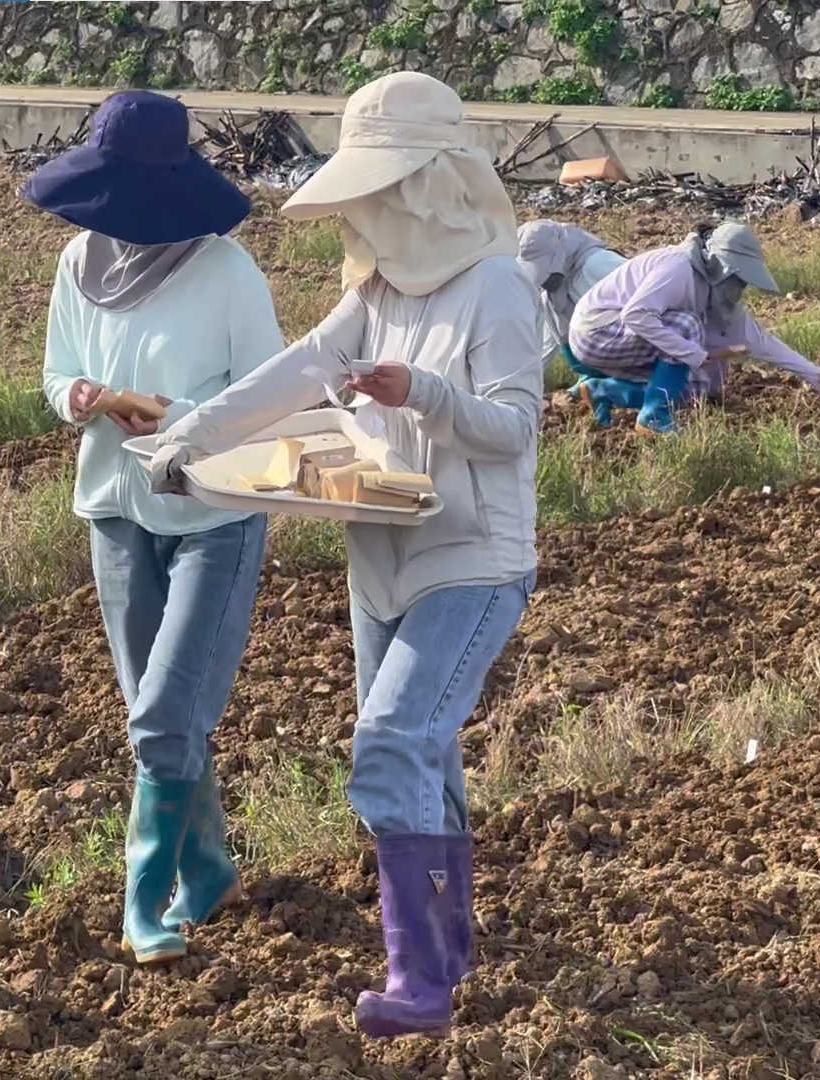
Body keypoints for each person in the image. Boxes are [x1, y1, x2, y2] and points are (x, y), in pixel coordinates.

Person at [148, 71, 538, 1040]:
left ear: (427, 186)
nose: (367, 209)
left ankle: (418, 978)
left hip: (472, 559)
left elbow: (515, 432)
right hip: (383, 556)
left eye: (381, 188)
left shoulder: (498, 287)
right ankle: (447, 953)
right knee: (426, 755)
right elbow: (296, 374)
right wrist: (190, 436)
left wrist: (423, 396)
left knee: (393, 743)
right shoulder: (370, 294)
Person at [23, 91, 286, 965]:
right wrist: (84, 399)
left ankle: (147, 900)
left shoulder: (227, 273)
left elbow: (266, 399)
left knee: (167, 713)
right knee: (155, 716)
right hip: (116, 508)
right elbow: (57, 372)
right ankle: (208, 867)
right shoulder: (78, 262)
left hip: (214, 511)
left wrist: (183, 417)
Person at [567, 222, 820, 434]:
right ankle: (653, 418)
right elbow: (637, 315)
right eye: (739, 279)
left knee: (700, 386)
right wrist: (692, 353)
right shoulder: (679, 268)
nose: (739, 288)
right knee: (687, 327)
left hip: (621, 340)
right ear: (722, 267)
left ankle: (603, 391)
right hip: (595, 331)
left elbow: (760, 341)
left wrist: (816, 375)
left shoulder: (713, 294)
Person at [515, 219, 625, 371]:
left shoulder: (598, 265)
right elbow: (545, 349)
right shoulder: (551, 298)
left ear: (559, 254)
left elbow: (649, 307)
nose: (542, 280)